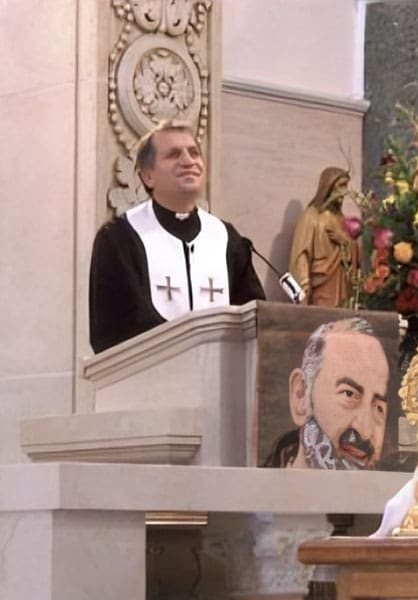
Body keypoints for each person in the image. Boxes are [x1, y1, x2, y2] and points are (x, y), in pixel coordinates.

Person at [89, 120, 265, 353]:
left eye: (194, 153)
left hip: (223, 381)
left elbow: (257, 320)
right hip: (150, 380)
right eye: (174, 154)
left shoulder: (227, 239)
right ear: (147, 176)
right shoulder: (119, 239)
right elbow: (112, 332)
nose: (189, 161)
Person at [265, 317, 390, 469]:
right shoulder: (253, 490)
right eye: (349, 394)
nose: (365, 431)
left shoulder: (396, 492)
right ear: (301, 395)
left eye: (378, 408)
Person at [288, 167, 360, 307]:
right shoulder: (311, 216)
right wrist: (303, 282)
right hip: (320, 287)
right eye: (341, 185)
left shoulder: (342, 221)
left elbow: (354, 257)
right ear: (328, 186)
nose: (344, 192)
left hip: (342, 287)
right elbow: (301, 253)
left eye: (346, 186)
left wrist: (344, 241)